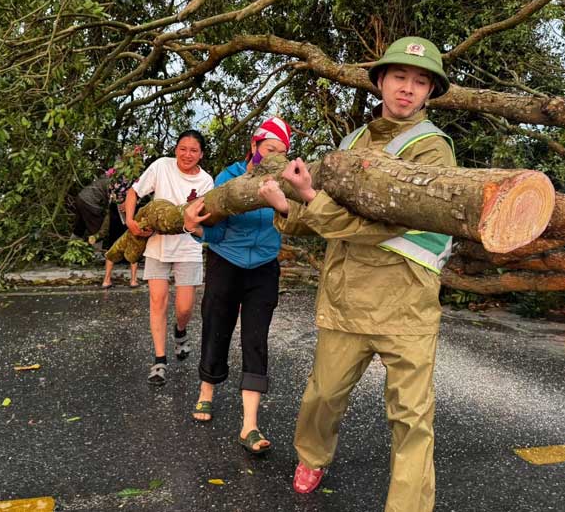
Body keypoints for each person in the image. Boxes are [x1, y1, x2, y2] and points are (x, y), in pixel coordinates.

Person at [258, 37, 454, 511]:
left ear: (430, 91)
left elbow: (386, 225)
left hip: (407, 305)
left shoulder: (434, 151)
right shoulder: (351, 143)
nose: (407, 88)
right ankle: (312, 455)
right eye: (399, 77)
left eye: (420, 81)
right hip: (347, 299)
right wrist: (287, 206)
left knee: (412, 419)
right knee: (322, 396)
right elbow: (326, 216)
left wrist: (309, 199)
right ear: (381, 81)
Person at [182, 117, 292, 455]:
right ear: (254, 146)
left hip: (264, 267)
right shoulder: (228, 178)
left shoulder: (286, 182)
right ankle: (206, 390)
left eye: (282, 152)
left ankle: (250, 425)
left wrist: (283, 204)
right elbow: (215, 232)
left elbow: (297, 221)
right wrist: (194, 228)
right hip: (225, 262)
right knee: (217, 327)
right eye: (269, 149)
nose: (275, 157)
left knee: (256, 339)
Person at [124, 130, 214, 385]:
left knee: (184, 308)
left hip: (188, 247)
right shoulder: (161, 166)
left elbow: (203, 218)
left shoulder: (206, 181)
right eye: (183, 148)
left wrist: (189, 225)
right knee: (157, 301)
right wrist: (130, 221)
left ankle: (180, 331)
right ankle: (159, 360)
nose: (187, 154)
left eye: (193, 150)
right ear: (176, 149)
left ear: (201, 154)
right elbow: (133, 192)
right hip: (157, 245)